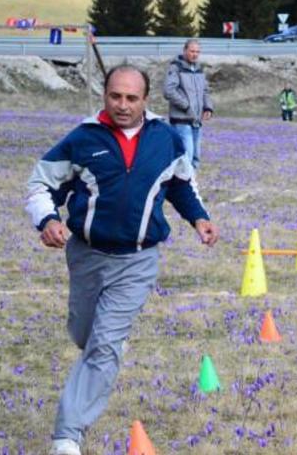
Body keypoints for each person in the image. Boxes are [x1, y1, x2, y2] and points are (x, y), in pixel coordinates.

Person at [25, 65, 219, 455]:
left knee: (104, 346)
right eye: (116, 96)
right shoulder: (82, 139)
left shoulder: (165, 139)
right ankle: (106, 351)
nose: (123, 105)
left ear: (146, 100)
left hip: (138, 261)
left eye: (132, 98)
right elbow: (40, 184)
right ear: (105, 96)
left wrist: (199, 217)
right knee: (85, 336)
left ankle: (67, 435)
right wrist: (46, 220)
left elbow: (181, 184)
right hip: (87, 257)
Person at [163, 39, 214, 168]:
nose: (195, 54)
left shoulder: (199, 69)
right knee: (186, 157)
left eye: (197, 52)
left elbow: (205, 90)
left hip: (196, 120)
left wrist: (208, 107)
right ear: (185, 50)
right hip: (181, 121)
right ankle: (181, 186)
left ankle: (191, 185)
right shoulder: (175, 68)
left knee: (195, 158)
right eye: (192, 51)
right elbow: (168, 91)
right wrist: (185, 106)